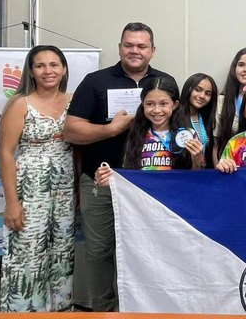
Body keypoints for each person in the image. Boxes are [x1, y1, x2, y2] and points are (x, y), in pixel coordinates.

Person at [63, 22, 173, 311]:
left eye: (142, 46)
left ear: (152, 50)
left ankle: (143, 310)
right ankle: (103, 311)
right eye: (129, 45)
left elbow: (178, 128)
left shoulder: (164, 82)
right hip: (101, 183)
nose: (135, 51)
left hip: (150, 187)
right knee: (99, 252)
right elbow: (71, 131)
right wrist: (111, 130)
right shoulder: (95, 82)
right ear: (120, 47)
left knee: (150, 251)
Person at [0, 45, 74, 311]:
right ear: (31, 71)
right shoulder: (20, 104)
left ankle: (59, 311)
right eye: (40, 65)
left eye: (54, 65)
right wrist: (12, 203)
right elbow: (5, 154)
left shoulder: (74, 101)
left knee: (61, 253)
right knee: (27, 255)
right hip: (30, 189)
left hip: (64, 188)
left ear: (64, 69)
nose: (47, 71)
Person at [95, 77, 204, 185]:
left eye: (163, 104)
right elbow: (129, 176)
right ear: (143, 105)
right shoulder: (135, 135)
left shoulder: (187, 135)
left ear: (174, 105)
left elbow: (197, 178)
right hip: (144, 195)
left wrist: (196, 159)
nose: (156, 110)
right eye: (150, 104)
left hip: (175, 193)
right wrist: (109, 179)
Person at [180, 73, 218, 168]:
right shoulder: (175, 117)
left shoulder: (208, 118)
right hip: (182, 173)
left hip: (204, 172)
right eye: (198, 90)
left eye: (208, 94)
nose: (202, 96)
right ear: (188, 89)